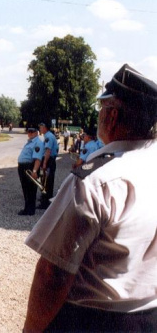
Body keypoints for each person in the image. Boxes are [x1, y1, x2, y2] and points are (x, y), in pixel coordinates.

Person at [23, 64, 157, 332]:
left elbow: (54, 272)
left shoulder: (96, 180)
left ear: (112, 116)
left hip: (93, 320)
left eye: (101, 109)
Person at [17, 127, 44, 216]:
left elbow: (37, 159)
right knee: (25, 189)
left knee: (31, 189)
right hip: (23, 167)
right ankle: (27, 208)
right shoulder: (30, 142)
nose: (30, 133)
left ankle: (30, 210)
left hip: (30, 167)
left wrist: (35, 171)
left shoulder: (37, 143)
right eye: (29, 131)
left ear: (37, 132)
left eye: (32, 132)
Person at [37, 121, 59, 209]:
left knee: (46, 181)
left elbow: (48, 151)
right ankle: (45, 199)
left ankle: (45, 203)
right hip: (50, 160)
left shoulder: (48, 137)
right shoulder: (48, 135)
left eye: (41, 126)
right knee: (46, 180)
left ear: (45, 127)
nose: (40, 128)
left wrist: (44, 163)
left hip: (48, 160)